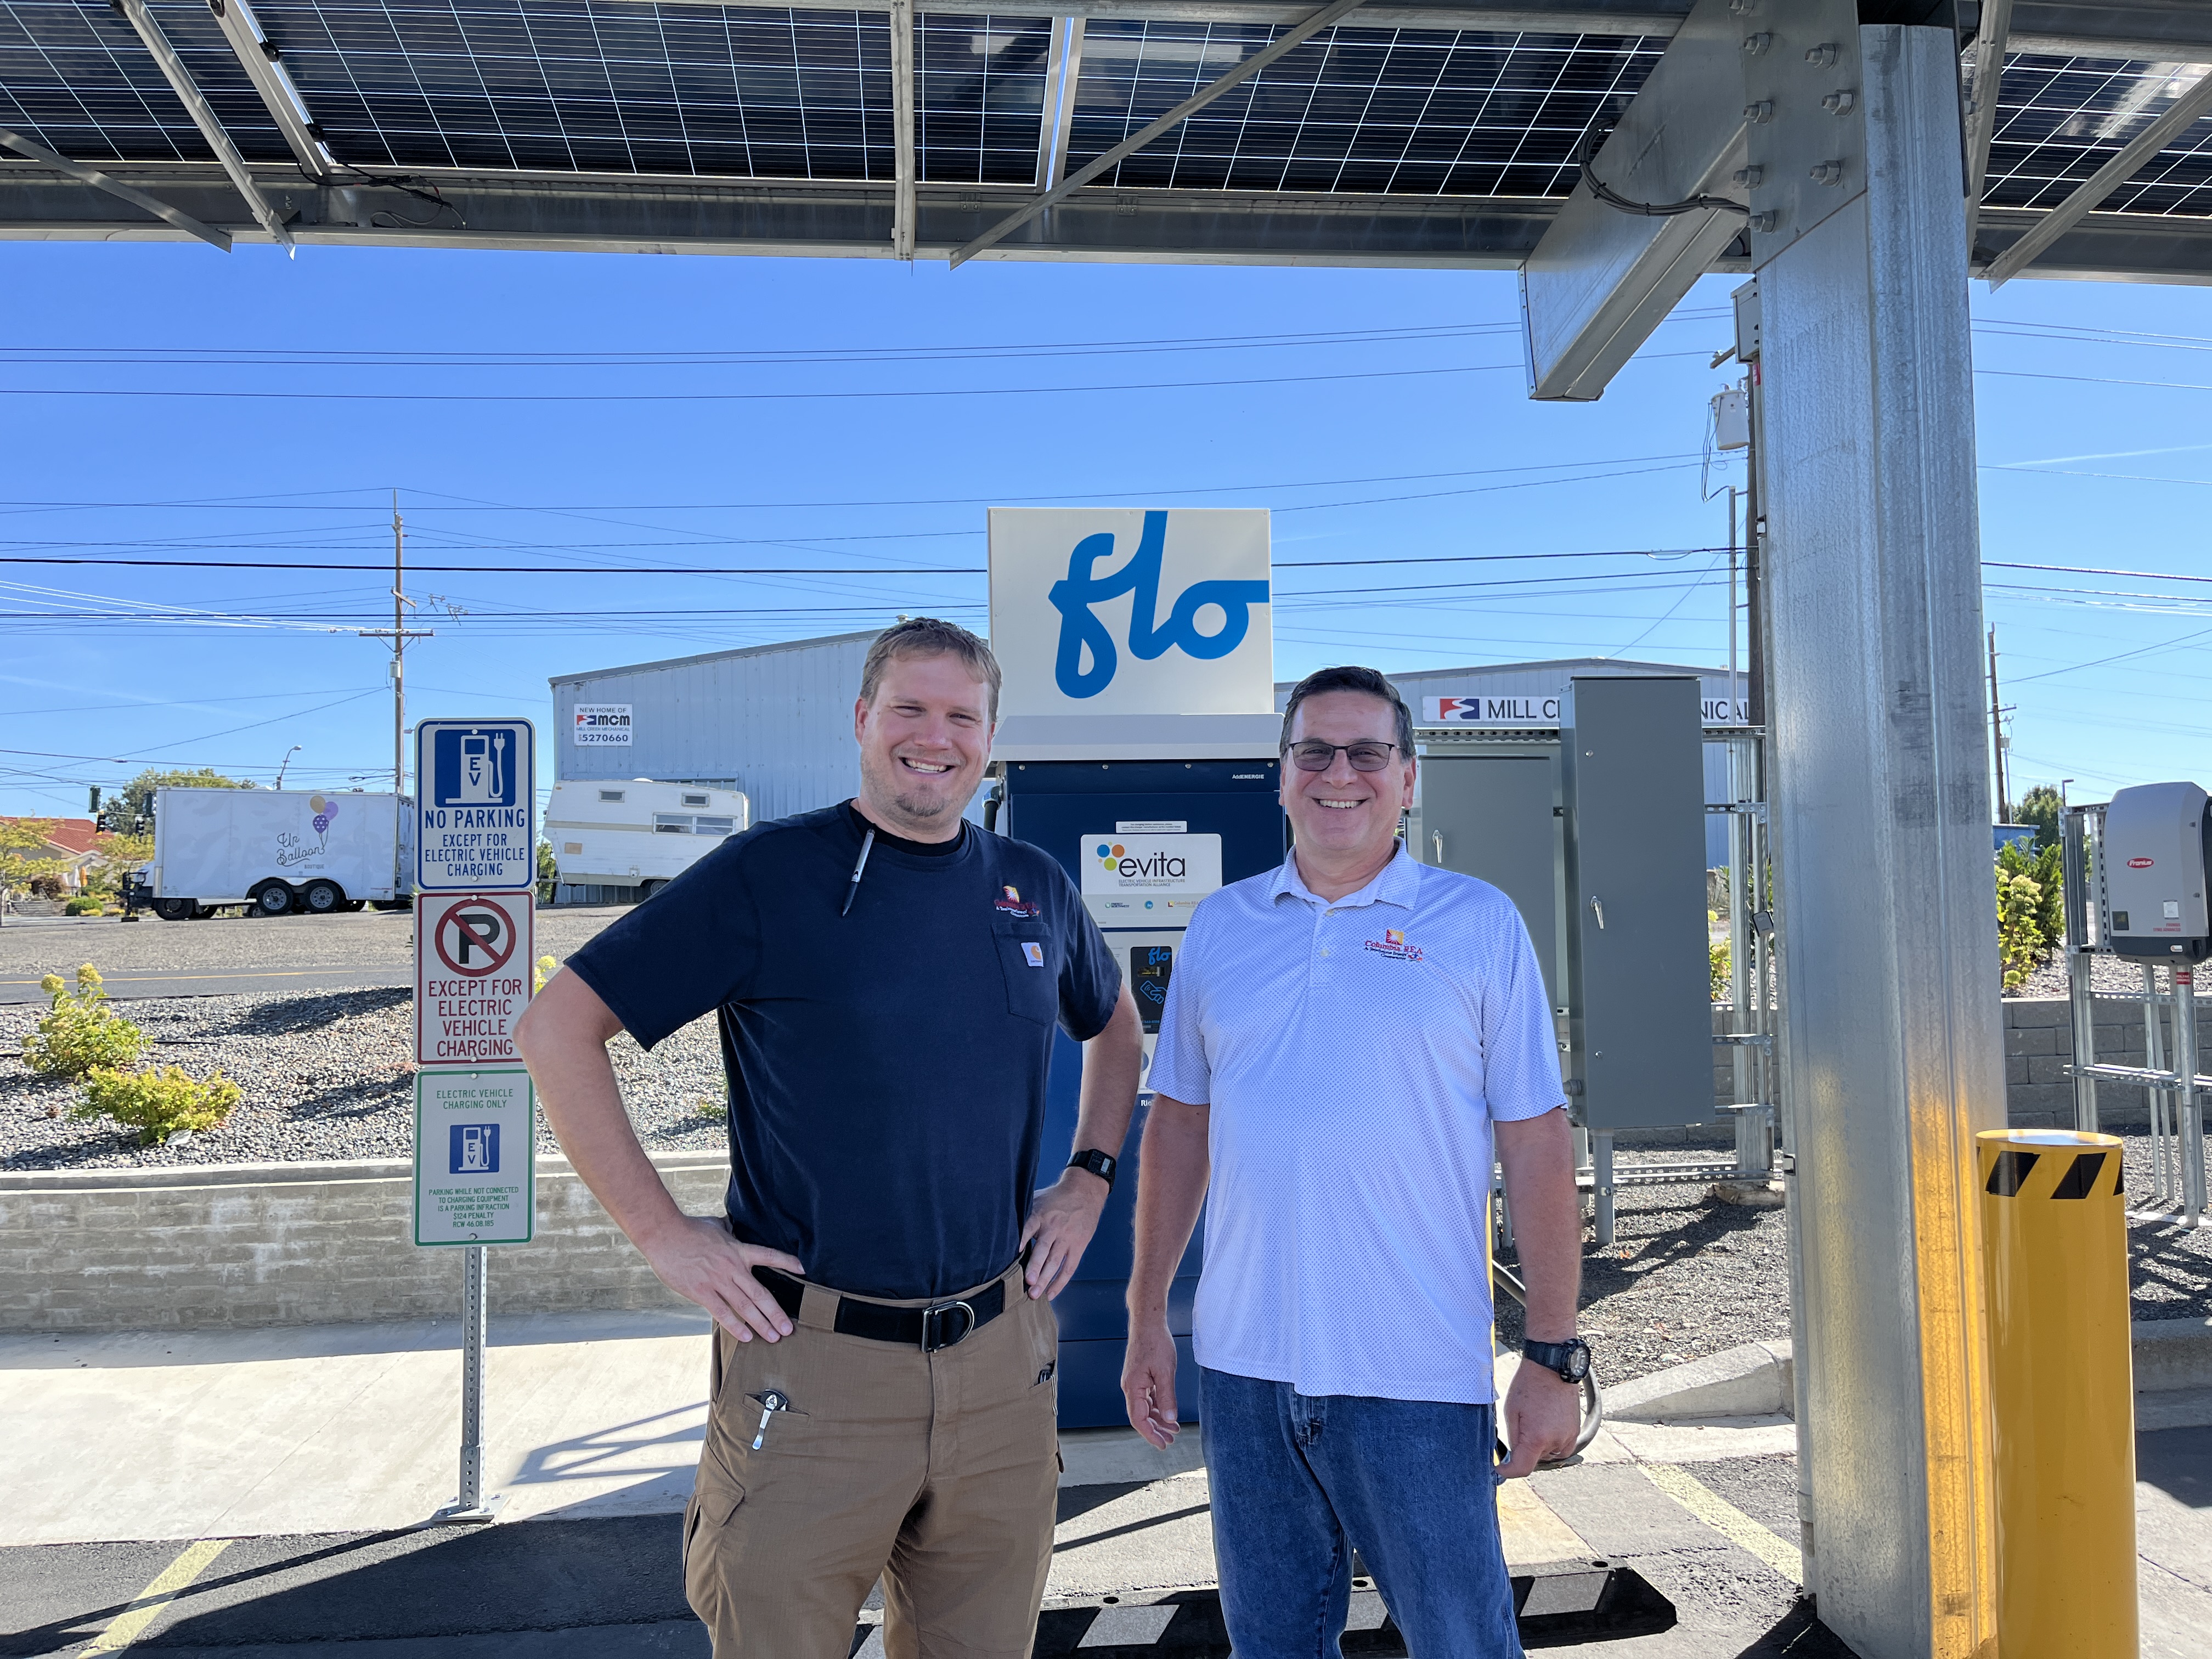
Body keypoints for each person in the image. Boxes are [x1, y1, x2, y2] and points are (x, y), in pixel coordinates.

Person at [515, 617, 1143, 1659]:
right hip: (811, 1372)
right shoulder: (768, 875)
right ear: (861, 720)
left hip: (1000, 1366)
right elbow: (557, 1029)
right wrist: (669, 1237)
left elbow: (1114, 1025)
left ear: (990, 736)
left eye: (961, 716)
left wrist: (1088, 1177)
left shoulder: (1032, 884)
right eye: (909, 708)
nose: (933, 737)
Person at [1119, 663, 1587, 1659]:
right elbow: (1178, 1129)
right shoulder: (1221, 927)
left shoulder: (1478, 925)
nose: (1342, 774)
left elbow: (1539, 1144)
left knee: (1463, 1643)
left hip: (1415, 1378)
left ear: (1409, 779)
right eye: (1315, 752)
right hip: (1245, 1376)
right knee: (1273, 1647)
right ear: (1282, 776)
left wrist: (1552, 1356)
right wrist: (1147, 1315)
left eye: (1369, 752)